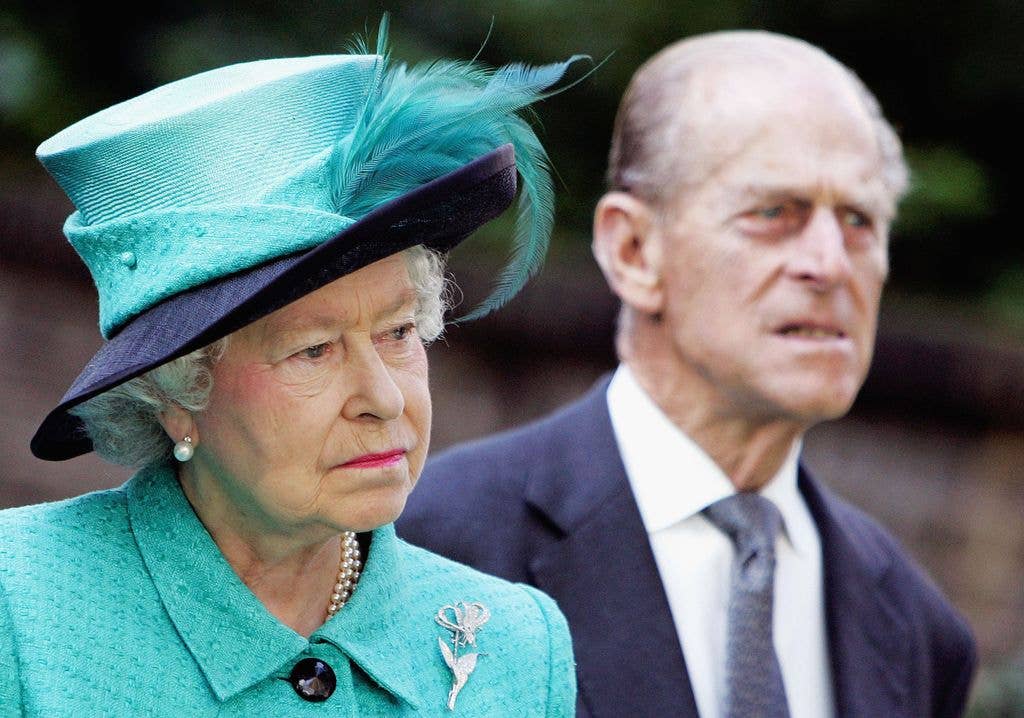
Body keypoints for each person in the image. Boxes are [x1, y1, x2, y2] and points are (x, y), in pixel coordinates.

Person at [0, 23, 582, 716]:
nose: (384, 398)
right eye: (315, 350)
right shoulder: (20, 608)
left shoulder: (517, 648)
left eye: (398, 332)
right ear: (176, 393)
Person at [398, 31, 977, 718]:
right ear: (634, 249)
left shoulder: (918, 629)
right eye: (772, 213)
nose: (829, 263)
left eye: (860, 220)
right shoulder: (429, 546)